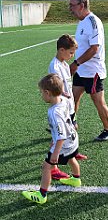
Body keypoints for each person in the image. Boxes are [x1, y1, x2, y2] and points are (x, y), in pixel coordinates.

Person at [22, 74, 82, 204]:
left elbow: (61, 136)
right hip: (73, 139)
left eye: (41, 92)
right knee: (71, 157)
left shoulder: (54, 113)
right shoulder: (63, 100)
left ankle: (42, 194)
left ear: (47, 93)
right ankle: (76, 178)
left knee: (46, 167)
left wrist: (55, 153)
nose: (41, 95)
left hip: (64, 143)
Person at [68, 0, 108, 141]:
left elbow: (94, 48)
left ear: (82, 5)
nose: (70, 8)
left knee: (98, 101)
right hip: (81, 70)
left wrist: (76, 63)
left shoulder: (93, 22)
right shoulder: (82, 21)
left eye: (72, 5)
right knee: (72, 98)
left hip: (92, 71)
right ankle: (69, 125)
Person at [48, 34, 87, 180]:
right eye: (71, 52)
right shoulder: (55, 65)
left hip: (68, 106)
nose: (72, 55)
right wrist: (64, 94)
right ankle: (53, 167)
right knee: (58, 137)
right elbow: (56, 87)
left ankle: (73, 152)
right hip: (61, 107)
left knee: (72, 130)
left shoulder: (64, 64)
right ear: (61, 50)